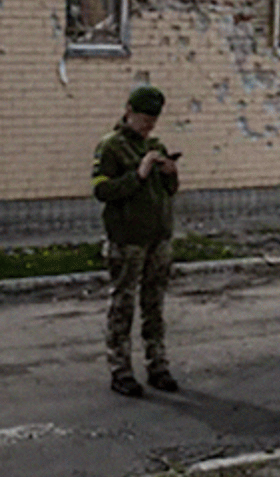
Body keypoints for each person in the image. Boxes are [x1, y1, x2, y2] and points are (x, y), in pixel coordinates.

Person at [93, 85, 181, 397]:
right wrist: (138, 175)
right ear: (128, 110)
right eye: (143, 120)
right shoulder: (111, 146)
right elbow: (102, 190)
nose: (148, 127)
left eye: (152, 122)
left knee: (154, 305)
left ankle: (157, 365)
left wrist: (169, 172)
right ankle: (120, 369)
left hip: (158, 237)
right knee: (123, 305)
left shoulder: (155, 144)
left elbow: (169, 191)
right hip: (127, 239)